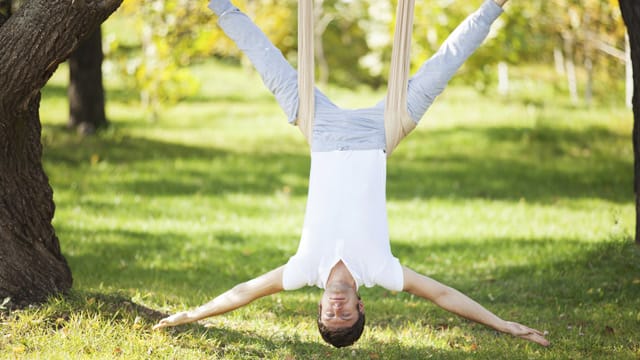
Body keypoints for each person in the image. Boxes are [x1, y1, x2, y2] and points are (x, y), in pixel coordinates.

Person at [153, 0, 550, 348]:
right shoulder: (381, 269)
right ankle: (495, 4)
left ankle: (218, 4)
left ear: (319, 307)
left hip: (320, 128)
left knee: (265, 58)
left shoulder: (303, 269)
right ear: (362, 306)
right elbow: (444, 295)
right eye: (346, 316)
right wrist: (502, 325)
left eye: (330, 315)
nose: (337, 309)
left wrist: (192, 315)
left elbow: (242, 293)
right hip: (382, 130)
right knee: (443, 65)